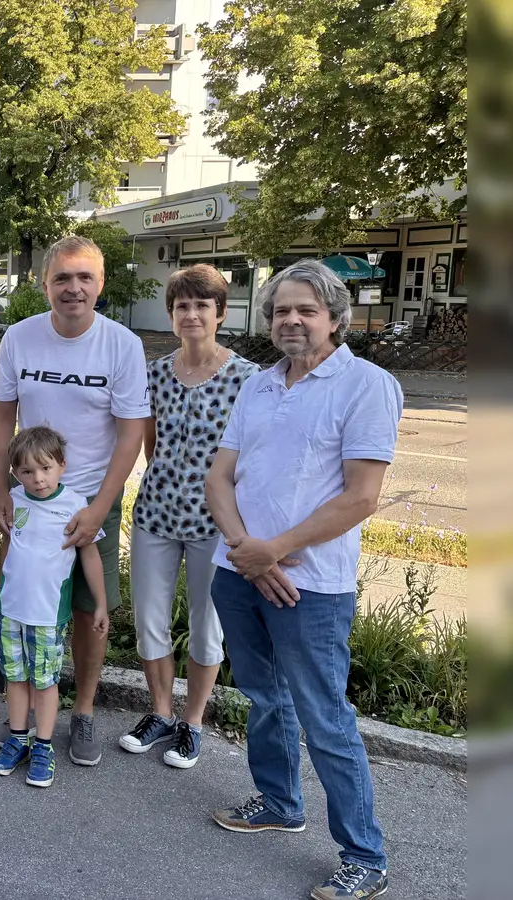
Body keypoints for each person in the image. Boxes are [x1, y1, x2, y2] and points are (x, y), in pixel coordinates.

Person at [203, 259, 400, 900]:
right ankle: (281, 801)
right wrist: (244, 550)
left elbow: (361, 497)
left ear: (335, 319)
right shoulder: (259, 385)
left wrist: (275, 551)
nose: (290, 320)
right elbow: (219, 478)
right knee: (264, 696)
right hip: (239, 572)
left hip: (310, 584)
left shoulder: (366, 386)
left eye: (305, 310)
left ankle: (364, 855)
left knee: (325, 716)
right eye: (280, 310)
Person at [0, 234, 150, 766]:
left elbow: (131, 433)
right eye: (62, 278)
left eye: (84, 278)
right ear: (44, 284)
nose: (73, 288)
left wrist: (101, 506)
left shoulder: (122, 344)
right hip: (30, 495)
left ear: (100, 285)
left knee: (86, 610)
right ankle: (23, 721)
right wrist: (2, 487)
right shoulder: (19, 337)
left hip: (91, 498)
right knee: (28, 601)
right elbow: (2, 416)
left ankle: (82, 712)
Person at [119, 264, 259, 769]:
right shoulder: (155, 373)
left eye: (203, 305)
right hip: (156, 514)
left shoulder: (248, 379)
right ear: (172, 314)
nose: (192, 313)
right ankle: (159, 712)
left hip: (215, 525)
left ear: (220, 313)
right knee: (150, 623)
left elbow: (251, 455)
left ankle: (192, 722)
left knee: (207, 627)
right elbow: (151, 446)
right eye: (183, 305)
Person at [0, 427, 108, 789]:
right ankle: (19, 737)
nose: (37, 479)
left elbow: (91, 558)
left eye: (45, 469)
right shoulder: (13, 499)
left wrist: (100, 604)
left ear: (62, 466)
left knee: (44, 682)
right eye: (26, 472)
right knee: (15, 676)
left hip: (46, 615)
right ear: (15, 473)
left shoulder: (75, 505)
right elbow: (9, 549)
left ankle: (43, 745)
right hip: (10, 610)